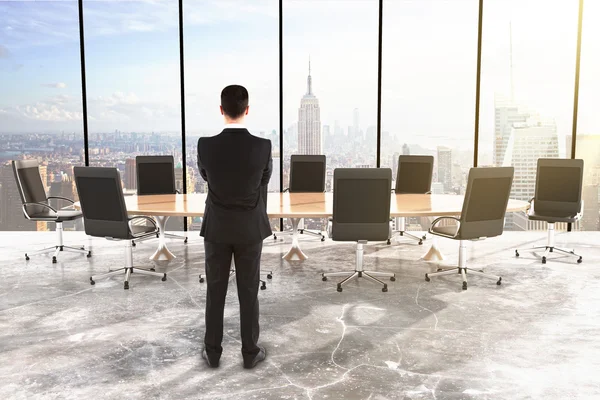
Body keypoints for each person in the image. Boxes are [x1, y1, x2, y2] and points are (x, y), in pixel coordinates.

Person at [197, 85, 272, 369]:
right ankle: (250, 352)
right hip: (250, 229)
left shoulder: (205, 144)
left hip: (217, 227)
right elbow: (264, 179)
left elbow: (206, 176)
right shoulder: (263, 146)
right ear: (247, 110)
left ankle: (213, 352)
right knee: (248, 290)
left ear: (221, 110)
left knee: (215, 290)